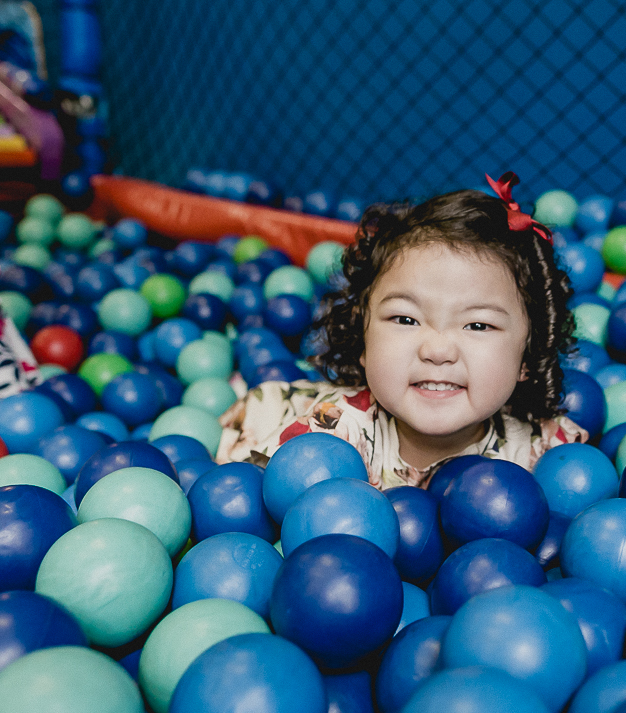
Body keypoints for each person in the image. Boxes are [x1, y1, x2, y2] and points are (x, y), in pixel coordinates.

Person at [216, 172, 587, 489]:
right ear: (363, 335)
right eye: (405, 319)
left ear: (528, 352)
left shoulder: (547, 450)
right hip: (273, 411)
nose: (437, 350)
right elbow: (245, 500)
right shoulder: (326, 439)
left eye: (478, 325)